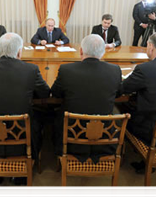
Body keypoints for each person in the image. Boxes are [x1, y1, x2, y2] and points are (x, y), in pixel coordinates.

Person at [0, 32, 50, 185]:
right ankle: (20, 173)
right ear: (19, 52)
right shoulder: (31, 70)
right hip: (20, 139)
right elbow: (45, 93)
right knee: (39, 119)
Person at [51, 34, 122, 162]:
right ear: (103, 52)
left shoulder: (66, 70)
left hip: (72, 135)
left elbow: (55, 94)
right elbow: (118, 94)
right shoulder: (115, 70)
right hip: (104, 136)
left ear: (81, 51)